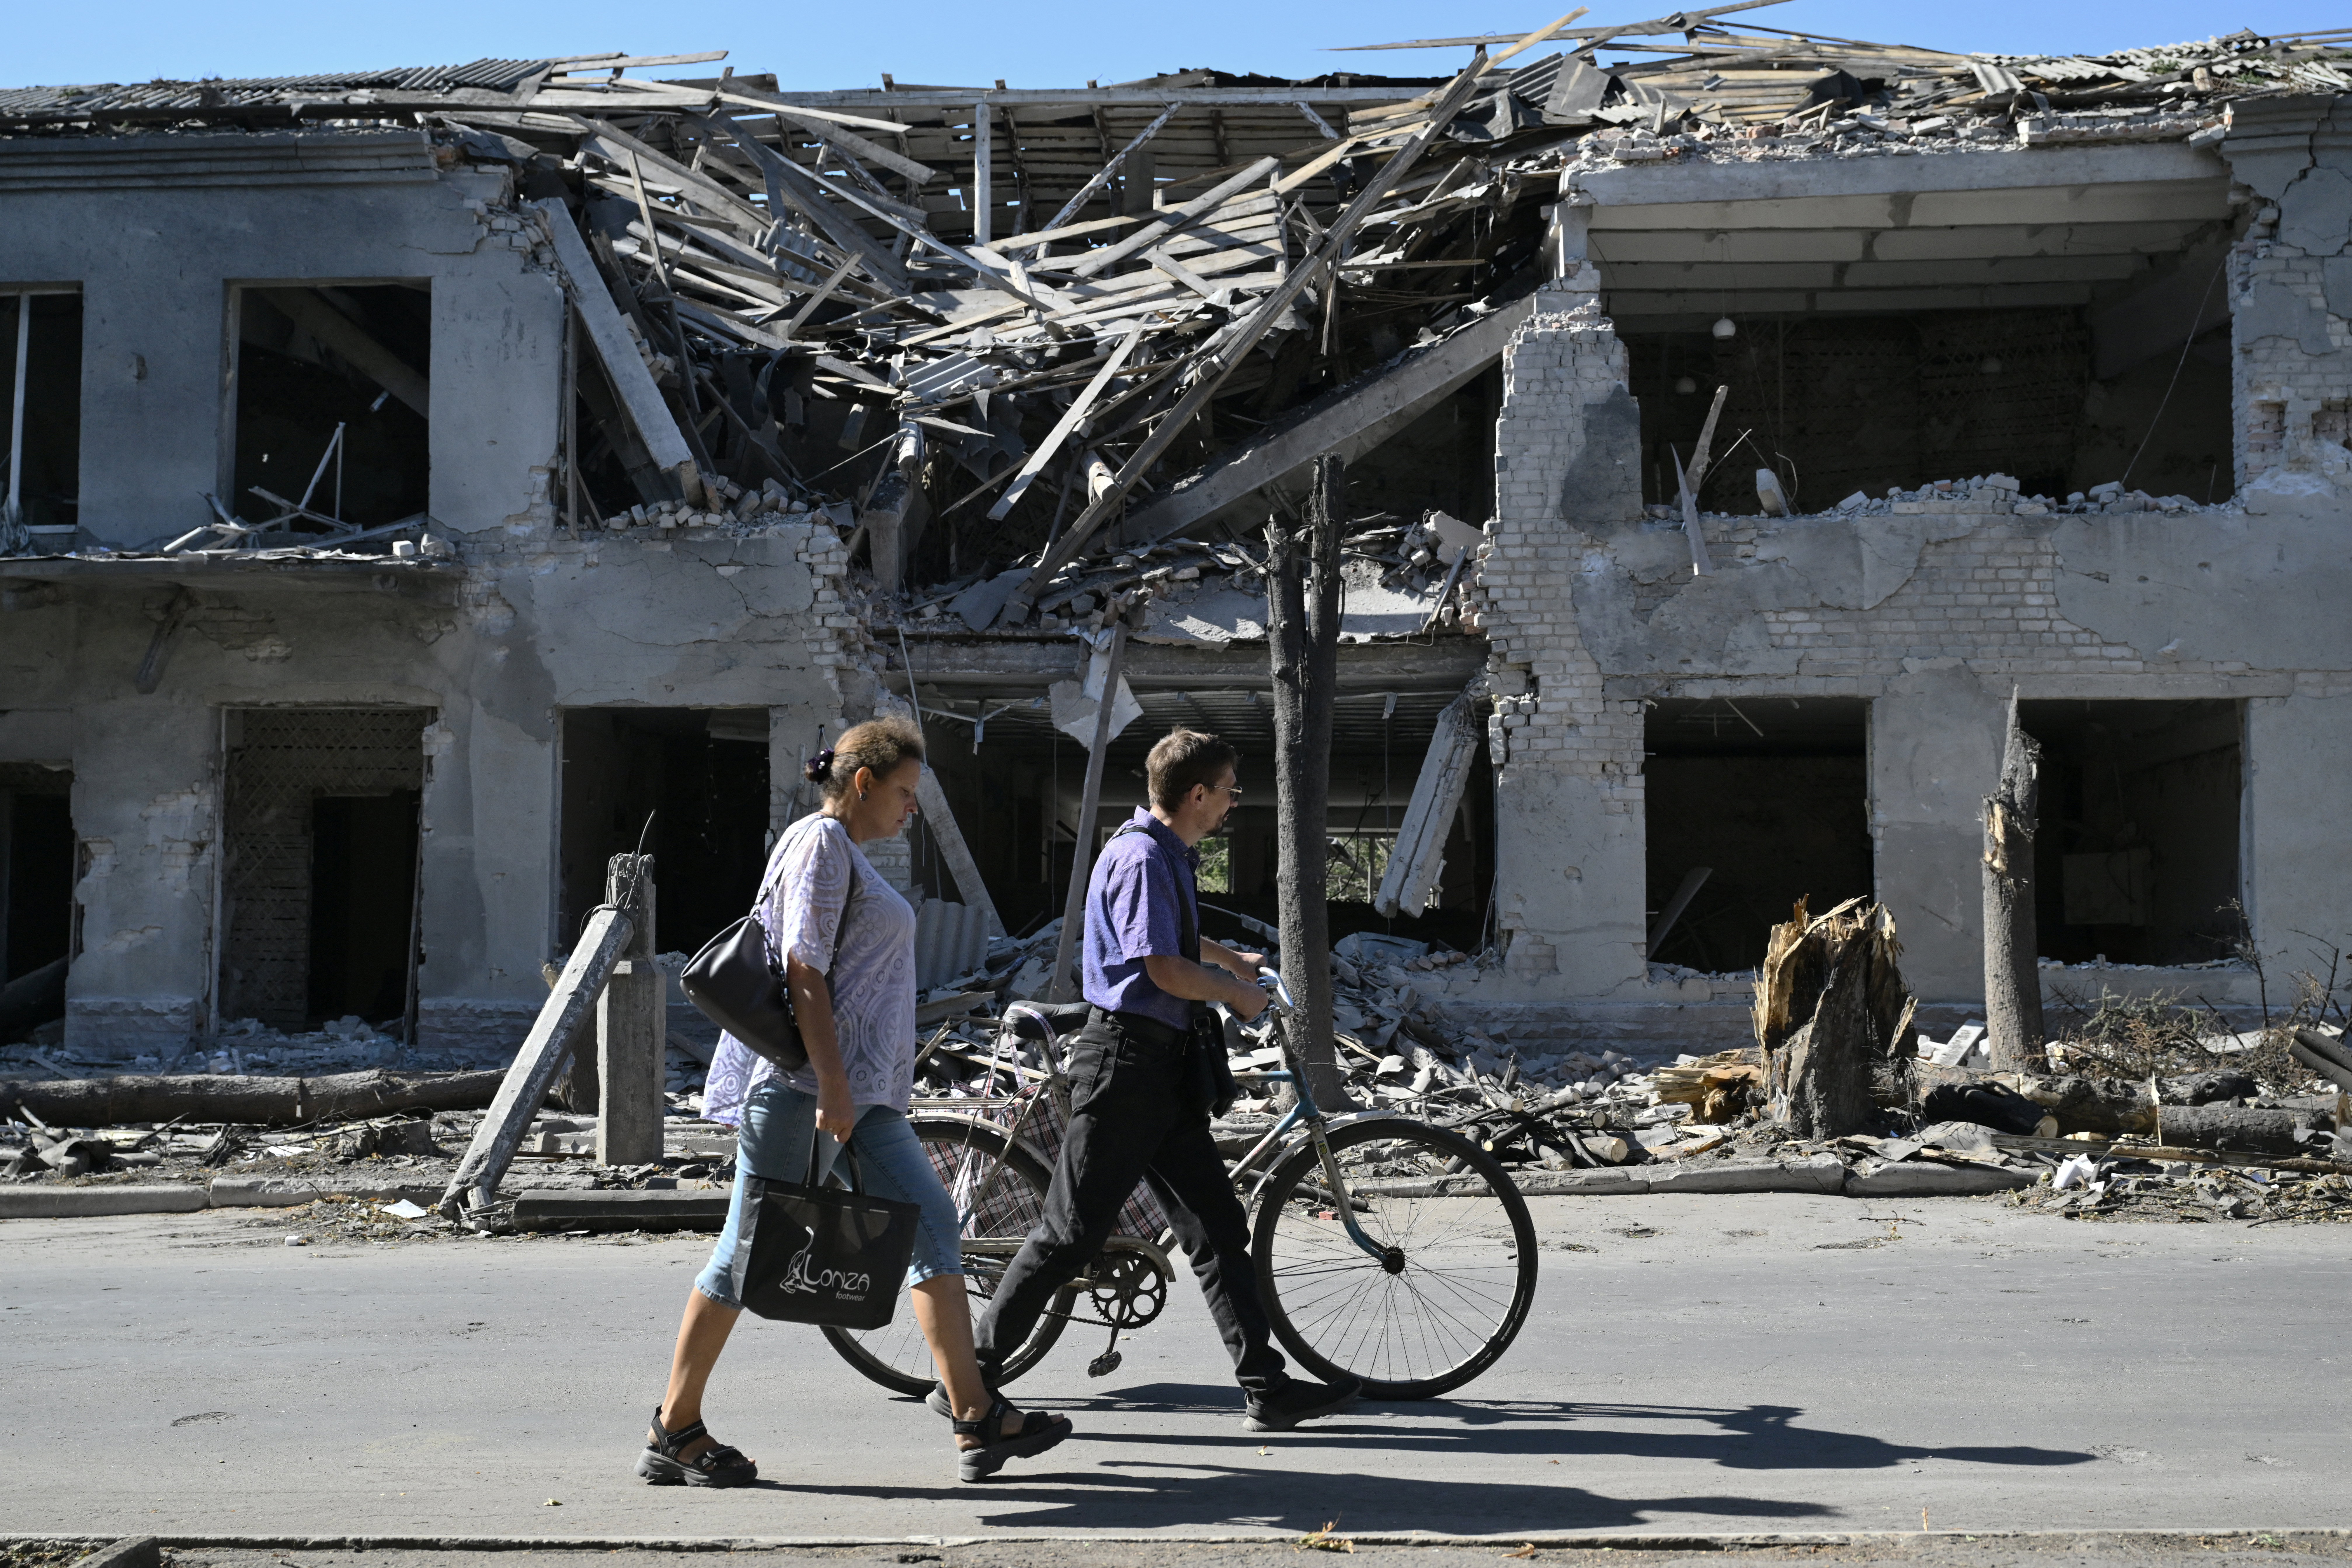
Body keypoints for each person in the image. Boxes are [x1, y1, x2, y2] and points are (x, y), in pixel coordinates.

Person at [639, 716, 1073, 1488]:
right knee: (745, 1256)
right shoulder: (822, 845)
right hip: (809, 1093)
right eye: (905, 792)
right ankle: (675, 1427)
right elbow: (804, 969)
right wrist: (833, 1085)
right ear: (864, 783)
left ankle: (974, 1415)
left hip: (860, 1095)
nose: (912, 809)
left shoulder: (843, 851)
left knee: (933, 1221)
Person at [965, 728, 1361, 1432]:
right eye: (1230, 791)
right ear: (1197, 793)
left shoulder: (1165, 852)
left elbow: (1169, 940)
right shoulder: (1142, 856)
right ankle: (971, 1375)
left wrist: (1229, 957)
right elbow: (1161, 969)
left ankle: (1264, 1388)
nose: (1233, 804)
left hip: (1160, 1072)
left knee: (1215, 1225)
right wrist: (1230, 993)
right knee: (1069, 1234)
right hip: (1124, 1067)